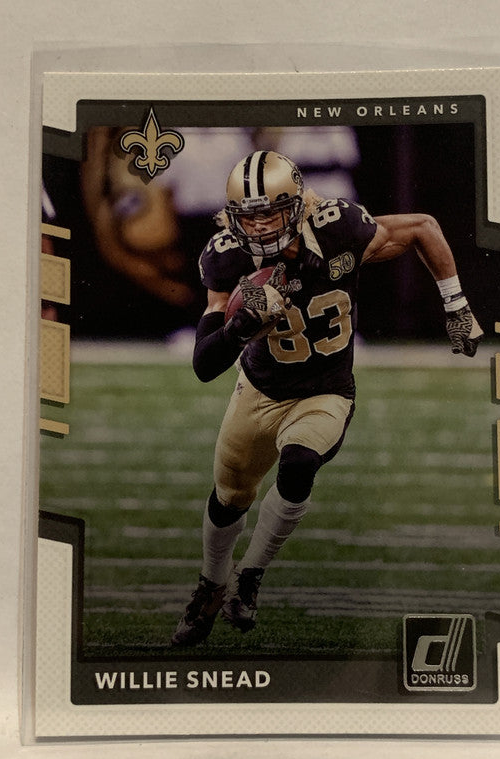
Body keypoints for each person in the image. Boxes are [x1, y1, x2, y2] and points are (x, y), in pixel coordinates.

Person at [171, 150, 483, 646]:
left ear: (297, 205)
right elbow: (204, 364)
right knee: (230, 497)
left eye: (272, 212)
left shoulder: (338, 228)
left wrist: (456, 306)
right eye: (249, 216)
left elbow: (423, 227)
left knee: (298, 464)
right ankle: (210, 585)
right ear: (232, 217)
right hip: (259, 392)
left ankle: (249, 577)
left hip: (325, 391)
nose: (261, 226)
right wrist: (239, 327)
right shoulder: (227, 256)